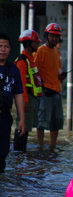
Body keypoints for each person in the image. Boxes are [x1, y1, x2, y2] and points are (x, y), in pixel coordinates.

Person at [34, 23, 66, 150]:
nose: (54, 39)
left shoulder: (56, 52)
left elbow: (58, 70)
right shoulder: (40, 51)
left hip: (57, 90)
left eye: (56, 36)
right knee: (42, 122)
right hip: (45, 91)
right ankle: (40, 146)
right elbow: (35, 70)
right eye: (52, 36)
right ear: (47, 36)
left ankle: (52, 146)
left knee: (57, 121)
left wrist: (61, 77)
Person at [13, 29, 43, 151]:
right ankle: (19, 152)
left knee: (26, 127)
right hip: (26, 99)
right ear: (29, 43)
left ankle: (21, 152)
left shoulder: (30, 60)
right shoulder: (22, 61)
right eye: (35, 42)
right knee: (22, 127)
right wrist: (24, 101)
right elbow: (21, 85)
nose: (37, 45)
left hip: (32, 98)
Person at [0, 33, 25, 173]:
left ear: (10, 49)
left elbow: (18, 95)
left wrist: (21, 119)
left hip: (4, 117)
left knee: (3, 152)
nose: (2, 49)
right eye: (0, 46)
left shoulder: (14, 70)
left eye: (6, 47)